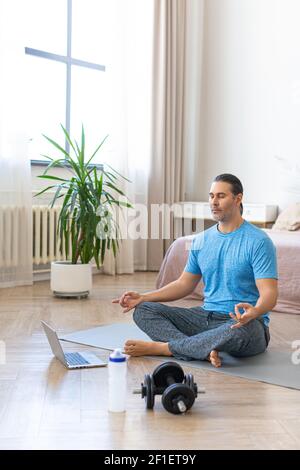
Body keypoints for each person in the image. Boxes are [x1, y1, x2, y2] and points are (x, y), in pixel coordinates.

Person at [112, 174, 278, 367]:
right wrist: (143, 297)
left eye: (221, 196)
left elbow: (270, 293)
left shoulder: (259, 242)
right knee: (143, 310)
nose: (213, 202)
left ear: (238, 199)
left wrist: (255, 311)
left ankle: (164, 348)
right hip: (204, 318)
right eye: (211, 196)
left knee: (243, 331)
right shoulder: (200, 240)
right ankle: (202, 349)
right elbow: (184, 284)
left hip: (242, 323)